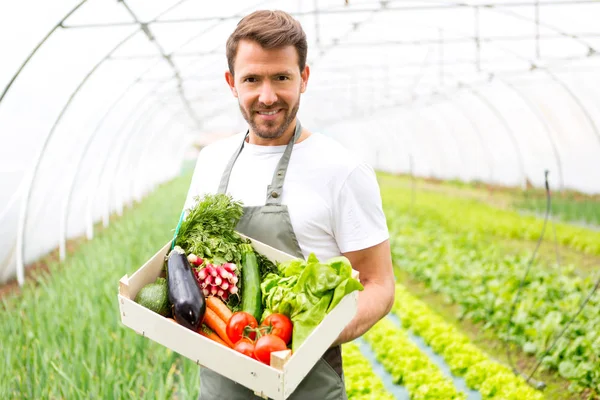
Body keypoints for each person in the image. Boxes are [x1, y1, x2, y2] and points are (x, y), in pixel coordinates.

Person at [182, 9, 395, 400]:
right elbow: (187, 262)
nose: (267, 96)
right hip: (221, 382)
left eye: (281, 77)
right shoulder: (210, 162)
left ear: (304, 78)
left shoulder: (342, 170)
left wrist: (315, 339)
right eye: (251, 79)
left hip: (307, 383)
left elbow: (379, 284)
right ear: (231, 83)